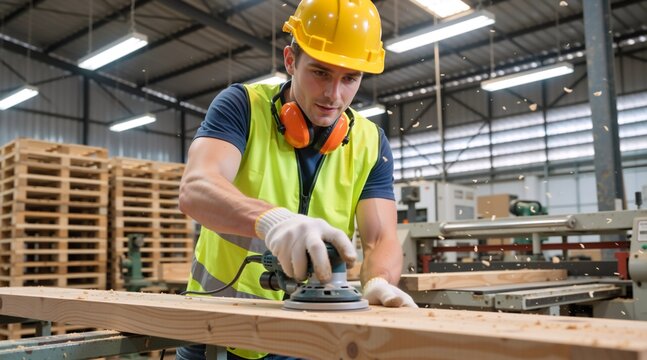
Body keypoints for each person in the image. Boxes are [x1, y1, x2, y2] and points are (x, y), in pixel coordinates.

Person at [176, 1, 416, 359]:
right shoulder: (242, 106)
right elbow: (196, 188)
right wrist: (273, 222)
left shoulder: (370, 142)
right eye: (320, 72)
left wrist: (379, 280)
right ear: (290, 61)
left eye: (350, 78)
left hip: (310, 334)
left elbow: (381, 236)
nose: (334, 95)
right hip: (217, 331)